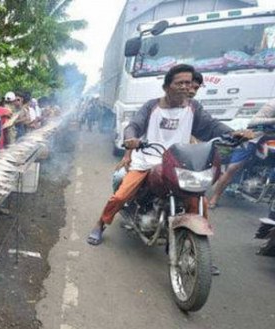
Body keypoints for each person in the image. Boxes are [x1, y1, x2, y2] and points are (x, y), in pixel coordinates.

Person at [86, 64, 244, 246]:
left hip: (180, 162)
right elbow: (134, 126)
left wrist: (234, 134)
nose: (185, 86)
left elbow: (212, 126)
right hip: (148, 160)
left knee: (198, 199)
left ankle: (199, 248)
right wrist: (131, 139)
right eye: (180, 83)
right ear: (167, 87)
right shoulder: (151, 106)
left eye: (188, 83)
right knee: (121, 196)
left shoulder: (194, 108)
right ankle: (101, 223)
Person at [209, 99, 275, 208]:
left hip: (271, 141)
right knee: (233, 168)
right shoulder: (273, 104)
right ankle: (215, 198)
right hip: (255, 136)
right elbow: (253, 123)